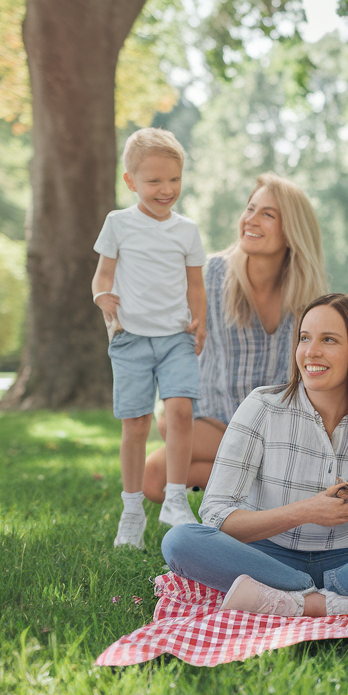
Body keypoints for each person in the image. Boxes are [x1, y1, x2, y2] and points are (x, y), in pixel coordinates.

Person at [160, 293, 348, 617]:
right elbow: (216, 516)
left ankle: (292, 600)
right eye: (304, 338)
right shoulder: (263, 406)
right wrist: (306, 511)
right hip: (267, 558)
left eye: (329, 340)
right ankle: (329, 602)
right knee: (180, 540)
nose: (311, 352)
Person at [142, 173, 328, 506]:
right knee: (153, 478)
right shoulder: (211, 275)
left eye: (267, 214)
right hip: (214, 418)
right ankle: (261, 481)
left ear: (292, 231)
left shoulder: (310, 297)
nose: (250, 220)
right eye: (250, 209)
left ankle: (253, 481)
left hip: (277, 431)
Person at [91, 127, 207, 548]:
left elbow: (196, 285)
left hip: (176, 336)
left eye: (173, 179)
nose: (165, 189)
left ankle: (176, 500)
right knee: (136, 423)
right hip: (131, 339)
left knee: (180, 411)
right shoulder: (118, 224)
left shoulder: (186, 231)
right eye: (154, 181)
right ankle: (132, 510)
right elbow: (102, 276)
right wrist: (102, 296)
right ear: (131, 182)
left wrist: (201, 321)